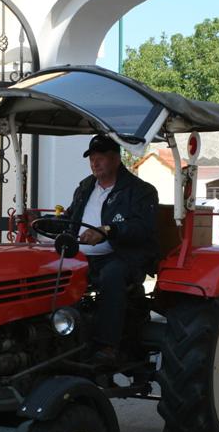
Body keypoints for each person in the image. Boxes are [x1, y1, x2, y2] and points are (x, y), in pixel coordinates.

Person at [64, 134, 159, 364]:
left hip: (121, 256)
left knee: (112, 274)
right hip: (83, 256)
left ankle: (108, 346)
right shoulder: (86, 186)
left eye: (101, 158)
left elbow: (142, 228)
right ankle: (63, 333)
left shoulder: (140, 191)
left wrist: (107, 230)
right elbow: (70, 217)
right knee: (51, 272)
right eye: (92, 158)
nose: (95, 163)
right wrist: (46, 221)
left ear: (116, 159)